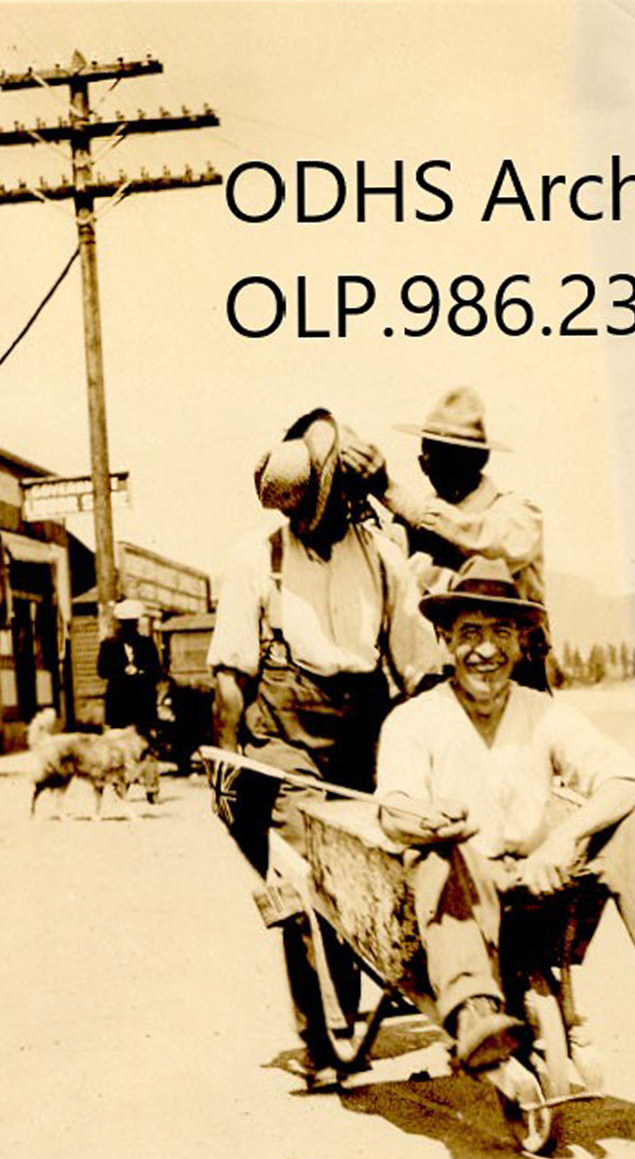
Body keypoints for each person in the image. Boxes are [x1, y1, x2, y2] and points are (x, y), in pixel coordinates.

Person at [373, 556, 635, 1071]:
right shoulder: (414, 721)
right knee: (442, 853)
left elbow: (626, 777)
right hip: (460, 895)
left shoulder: (543, 713)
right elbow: (393, 812)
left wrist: (564, 838)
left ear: (522, 642)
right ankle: (473, 1012)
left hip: (537, 880)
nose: (486, 650)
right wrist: (426, 818)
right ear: (445, 639)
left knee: (631, 821)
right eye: (470, 632)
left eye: (502, 632)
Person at [208, 407, 444, 1086]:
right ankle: (320, 1039)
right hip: (282, 739)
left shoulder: (381, 556)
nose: (315, 518)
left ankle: (352, 1013)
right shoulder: (257, 557)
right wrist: (230, 772)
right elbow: (232, 677)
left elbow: (417, 667)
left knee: (364, 868)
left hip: (365, 729)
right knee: (304, 876)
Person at [342, 387, 552, 690]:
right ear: (423, 462)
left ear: (482, 458)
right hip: (440, 689)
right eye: (437, 453)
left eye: (458, 454)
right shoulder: (410, 525)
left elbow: (484, 544)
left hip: (515, 685)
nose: (445, 464)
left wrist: (388, 490)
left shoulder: (518, 516)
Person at [97, 598, 161, 803]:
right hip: (119, 703)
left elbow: (157, 671)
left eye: (132, 622)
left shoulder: (147, 644)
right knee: (118, 747)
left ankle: (152, 788)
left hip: (143, 704)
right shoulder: (108, 646)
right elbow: (102, 671)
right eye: (125, 623)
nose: (128, 626)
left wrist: (140, 672)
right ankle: (121, 788)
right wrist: (122, 672)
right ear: (118, 623)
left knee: (148, 746)